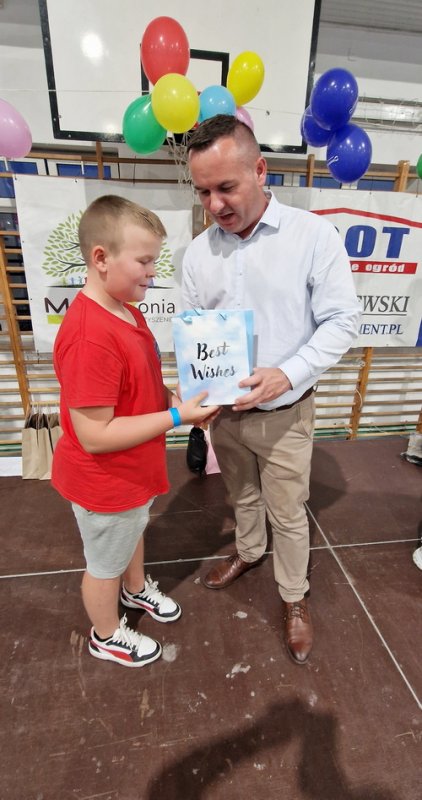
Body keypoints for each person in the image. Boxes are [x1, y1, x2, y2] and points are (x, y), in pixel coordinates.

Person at [182, 115, 361, 665]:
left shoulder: (313, 238)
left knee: (289, 509)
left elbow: (342, 321)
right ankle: (249, 552)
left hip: (286, 413)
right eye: (203, 191)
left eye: (226, 187)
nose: (214, 204)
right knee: (242, 498)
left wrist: (288, 372)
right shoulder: (196, 254)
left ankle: (294, 597)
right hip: (227, 416)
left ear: (260, 171)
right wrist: (197, 392)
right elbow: (193, 327)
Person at [52, 195, 216, 668]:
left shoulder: (127, 310)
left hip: (131, 475)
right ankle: (106, 635)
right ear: (101, 258)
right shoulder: (90, 336)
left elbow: (140, 382)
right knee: (103, 566)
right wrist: (177, 418)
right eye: (144, 261)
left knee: (133, 532)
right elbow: (94, 435)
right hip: (104, 481)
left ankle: (137, 588)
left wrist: (170, 400)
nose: (152, 271)